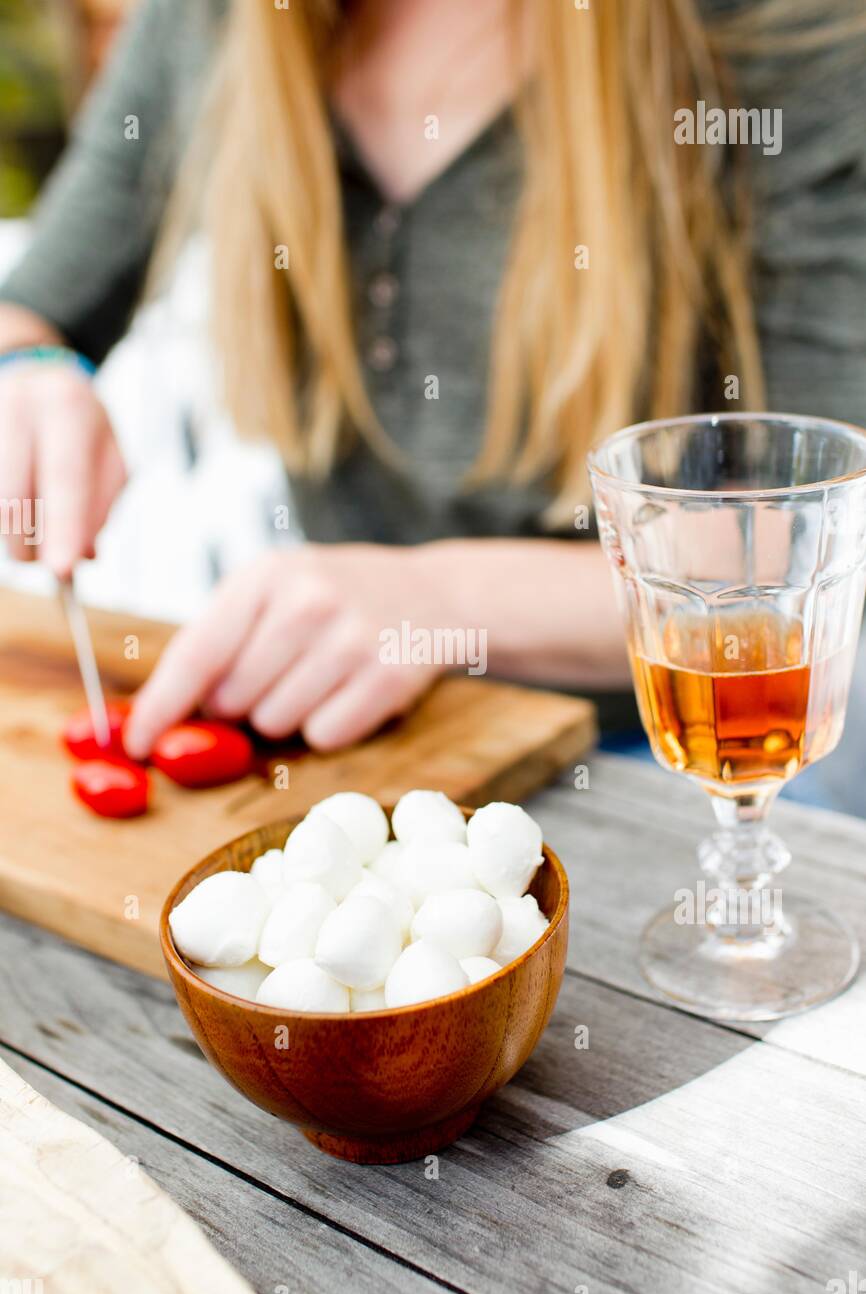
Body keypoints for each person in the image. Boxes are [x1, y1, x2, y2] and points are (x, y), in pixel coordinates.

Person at [0, 0, 863, 758]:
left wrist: (434, 602)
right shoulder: (210, 17)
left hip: (685, 745)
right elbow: (35, 308)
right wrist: (28, 370)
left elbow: (799, 540)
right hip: (354, 735)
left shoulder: (778, 35)